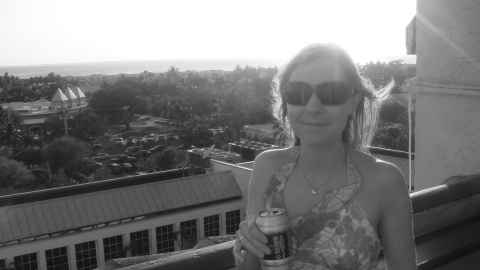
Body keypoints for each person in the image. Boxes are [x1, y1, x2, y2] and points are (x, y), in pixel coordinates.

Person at [233, 44, 416, 270]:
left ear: (353, 100)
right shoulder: (266, 167)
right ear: (286, 102)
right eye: (298, 93)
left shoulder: (385, 181)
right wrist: (246, 247)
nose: (313, 106)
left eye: (331, 93)